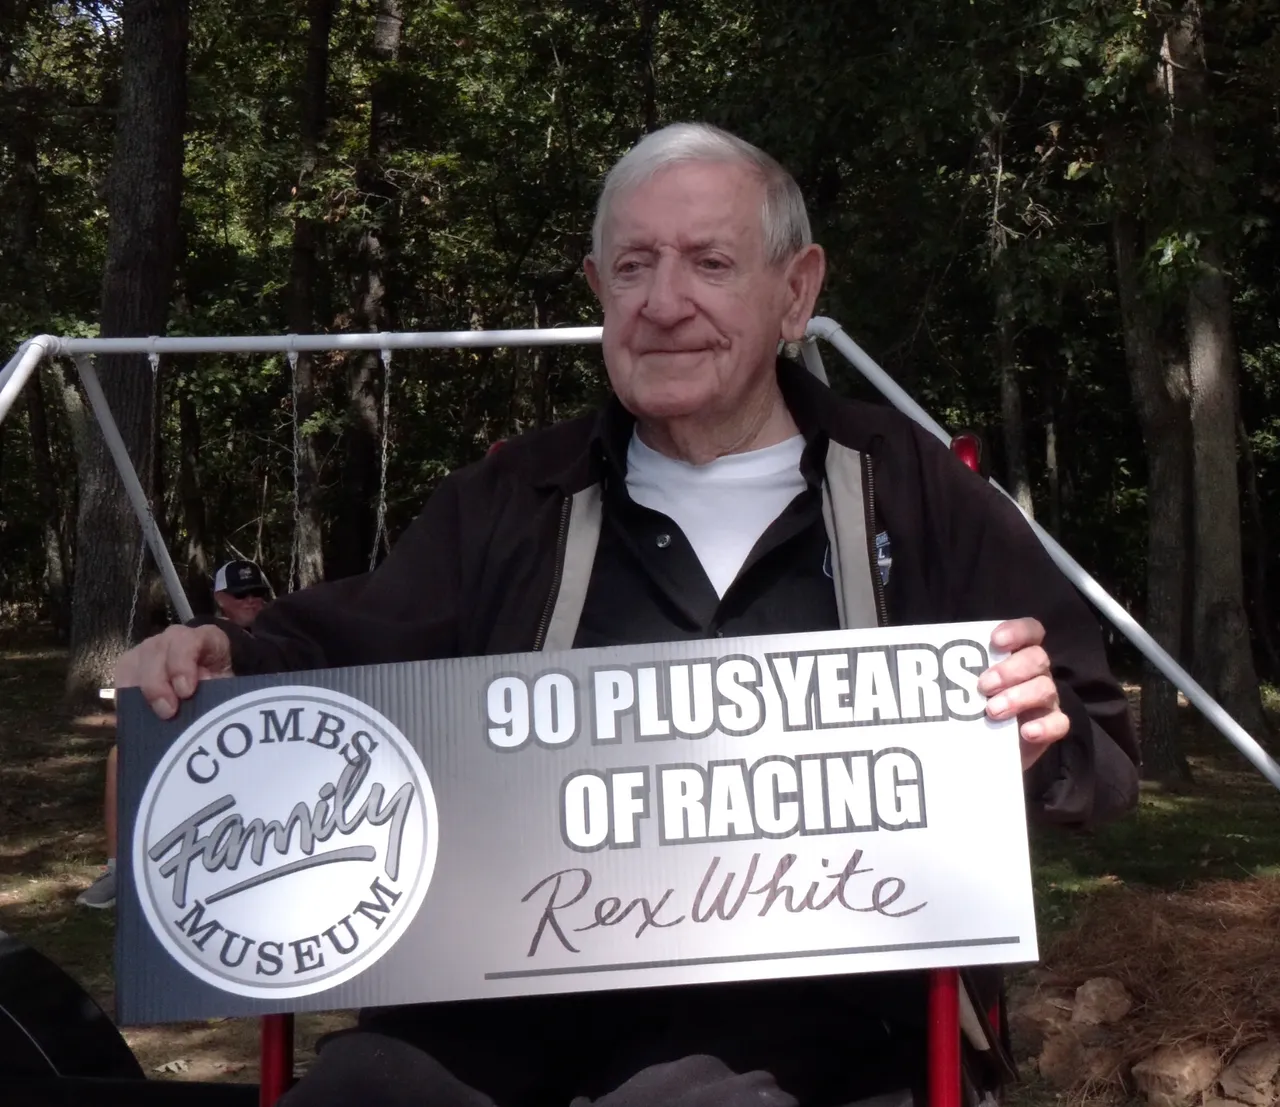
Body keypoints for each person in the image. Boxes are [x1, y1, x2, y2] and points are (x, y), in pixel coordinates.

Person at [115, 124, 1138, 1105]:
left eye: (709, 263)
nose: (664, 302)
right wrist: (216, 658)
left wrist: (1032, 742)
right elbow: (337, 649)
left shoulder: (909, 492)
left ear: (796, 292)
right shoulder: (512, 498)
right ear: (598, 292)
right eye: (635, 266)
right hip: (507, 986)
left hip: (820, 1004)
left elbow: (1096, 753)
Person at [76, 559, 273, 910]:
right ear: (221, 598)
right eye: (241, 594)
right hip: (213, 747)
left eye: (258, 593)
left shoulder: (287, 632)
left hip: (274, 749)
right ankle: (119, 870)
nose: (252, 600)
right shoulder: (200, 636)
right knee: (121, 755)